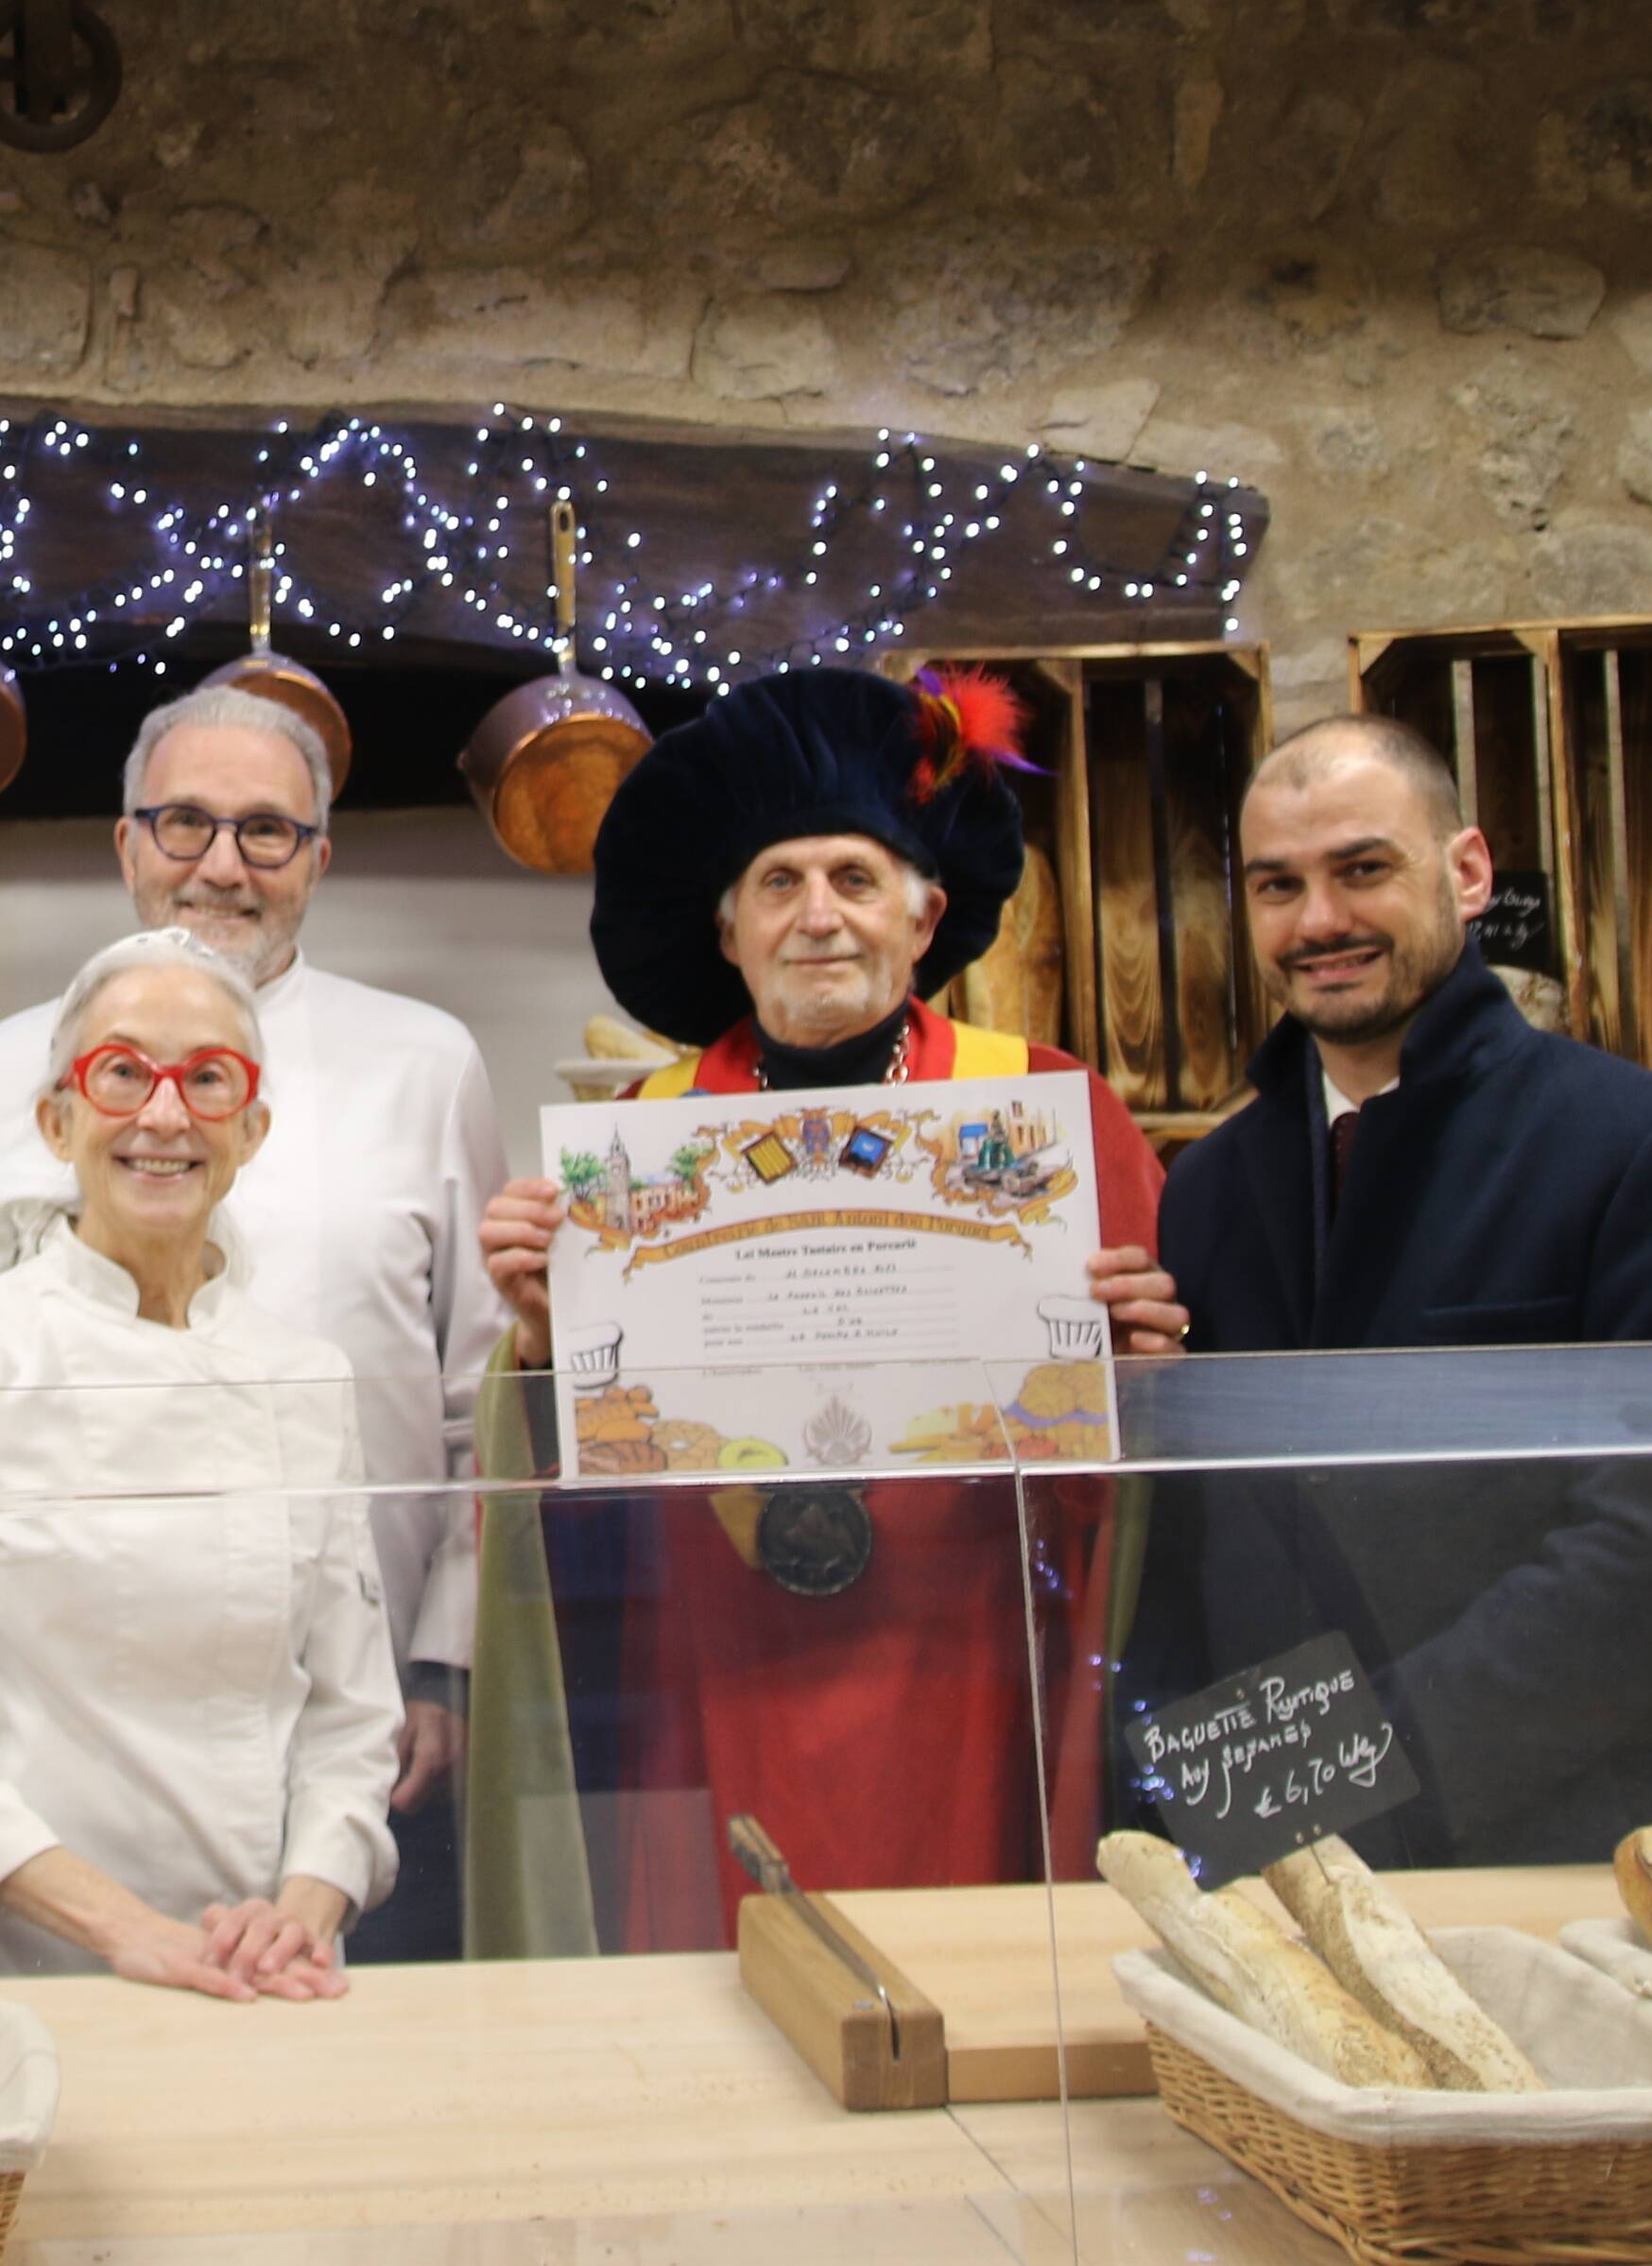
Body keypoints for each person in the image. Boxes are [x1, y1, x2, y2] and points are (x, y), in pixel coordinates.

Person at [472, 663, 1184, 1951]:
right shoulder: (641, 1138)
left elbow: (1142, 1469)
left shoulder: (1049, 1111)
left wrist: (1141, 1373)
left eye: (854, 878)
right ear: (728, 932)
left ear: (924, 916)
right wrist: (541, 1349)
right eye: (777, 884)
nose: (818, 917)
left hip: (972, 1655)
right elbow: (579, 1519)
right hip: (713, 1665)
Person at [1117, 712, 1652, 1866]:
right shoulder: (1209, 1185)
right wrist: (1175, 1801)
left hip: (1560, 1854)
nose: (1317, 922)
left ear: (1465, 873)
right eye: (1277, 886)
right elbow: (1198, 1549)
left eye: (1361, 870)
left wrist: (1336, 1777)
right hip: (1273, 1857)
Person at [0, 684, 503, 1958]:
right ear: (126, 844)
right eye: (183, 823)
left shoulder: (427, 1062)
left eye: (265, 831)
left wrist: (444, 1662)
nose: (221, 865)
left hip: (369, 1724)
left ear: (318, 858)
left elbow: (479, 1399)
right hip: (53, 1733)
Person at [0, 931, 402, 1996]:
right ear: (57, 1121)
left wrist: (305, 1906)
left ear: (251, 1128)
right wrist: (127, 1932)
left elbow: (352, 1712)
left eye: (207, 1079)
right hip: (19, 1964)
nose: (164, 1114)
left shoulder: (306, 1376)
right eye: (122, 1073)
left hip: (262, 1969)